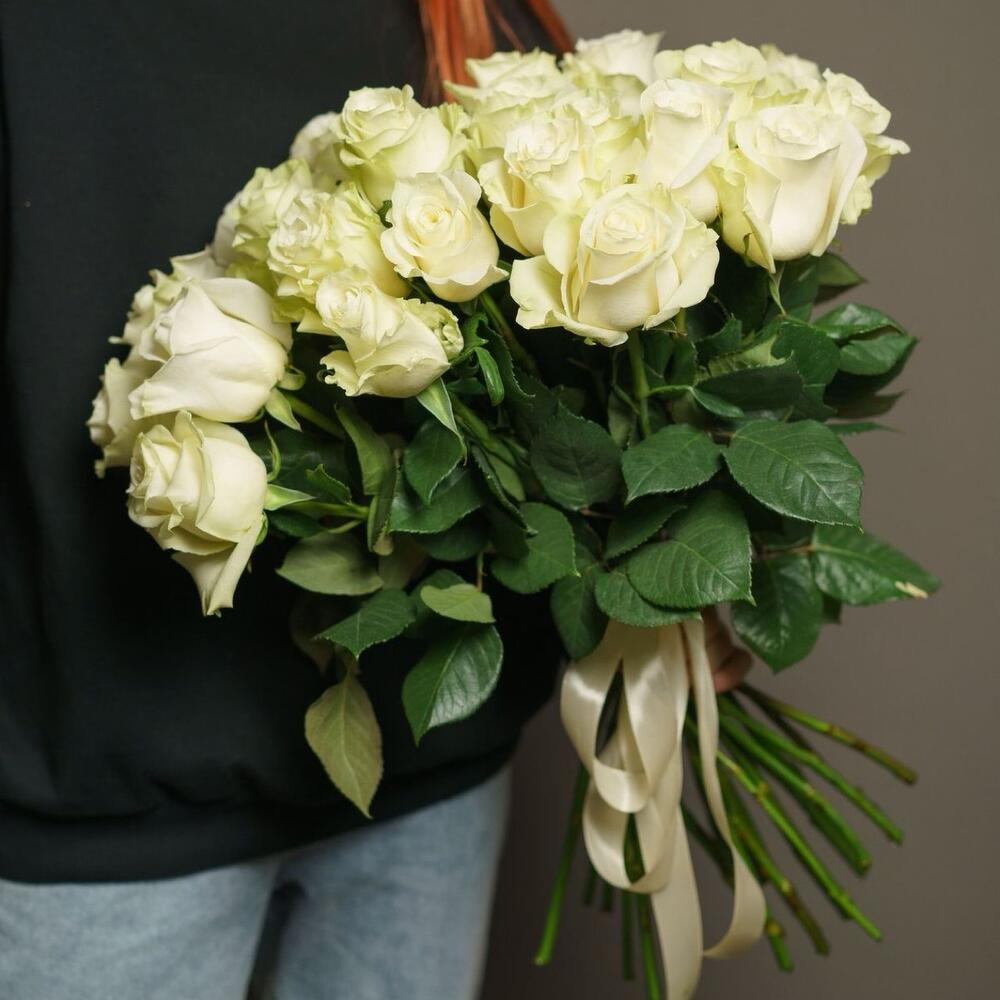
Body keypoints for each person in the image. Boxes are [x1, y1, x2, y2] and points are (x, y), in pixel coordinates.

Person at [0, 3, 750, 997]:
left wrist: (671, 557)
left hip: (427, 778)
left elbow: (578, 383)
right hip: (93, 814)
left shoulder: (464, 16)